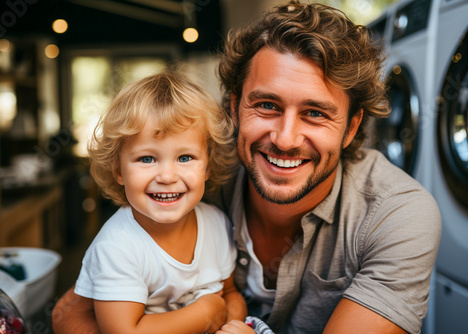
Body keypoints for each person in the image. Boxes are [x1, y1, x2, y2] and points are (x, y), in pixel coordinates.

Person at [53, 2, 441, 334]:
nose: (286, 139)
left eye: (315, 113)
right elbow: (69, 317)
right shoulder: (194, 183)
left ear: (351, 126)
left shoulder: (397, 216)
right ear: (235, 106)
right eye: (268, 105)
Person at [70, 71, 250, 334]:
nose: (167, 176)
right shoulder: (117, 247)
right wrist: (205, 313)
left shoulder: (216, 222)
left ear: (208, 166)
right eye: (147, 159)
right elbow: (124, 331)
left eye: (185, 157)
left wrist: (232, 322)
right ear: (118, 170)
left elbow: (230, 291)